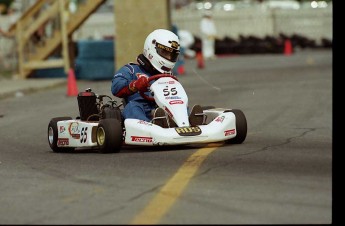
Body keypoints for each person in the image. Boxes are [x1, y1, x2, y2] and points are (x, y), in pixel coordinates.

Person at [111, 29, 203, 128]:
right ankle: (151, 127)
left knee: (180, 103)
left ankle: (187, 121)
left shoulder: (168, 75)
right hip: (141, 109)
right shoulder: (131, 69)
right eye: (165, 53)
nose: (168, 57)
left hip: (163, 109)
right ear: (151, 49)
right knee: (132, 107)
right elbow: (116, 88)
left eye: (172, 55)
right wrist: (135, 85)